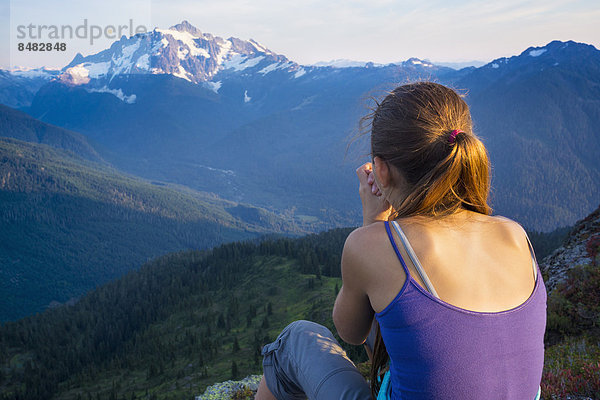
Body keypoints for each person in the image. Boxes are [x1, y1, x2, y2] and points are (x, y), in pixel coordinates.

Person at [254, 81, 547, 400]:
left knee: (296, 340)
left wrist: (374, 224)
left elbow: (351, 332)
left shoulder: (372, 246)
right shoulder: (514, 234)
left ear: (380, 169)